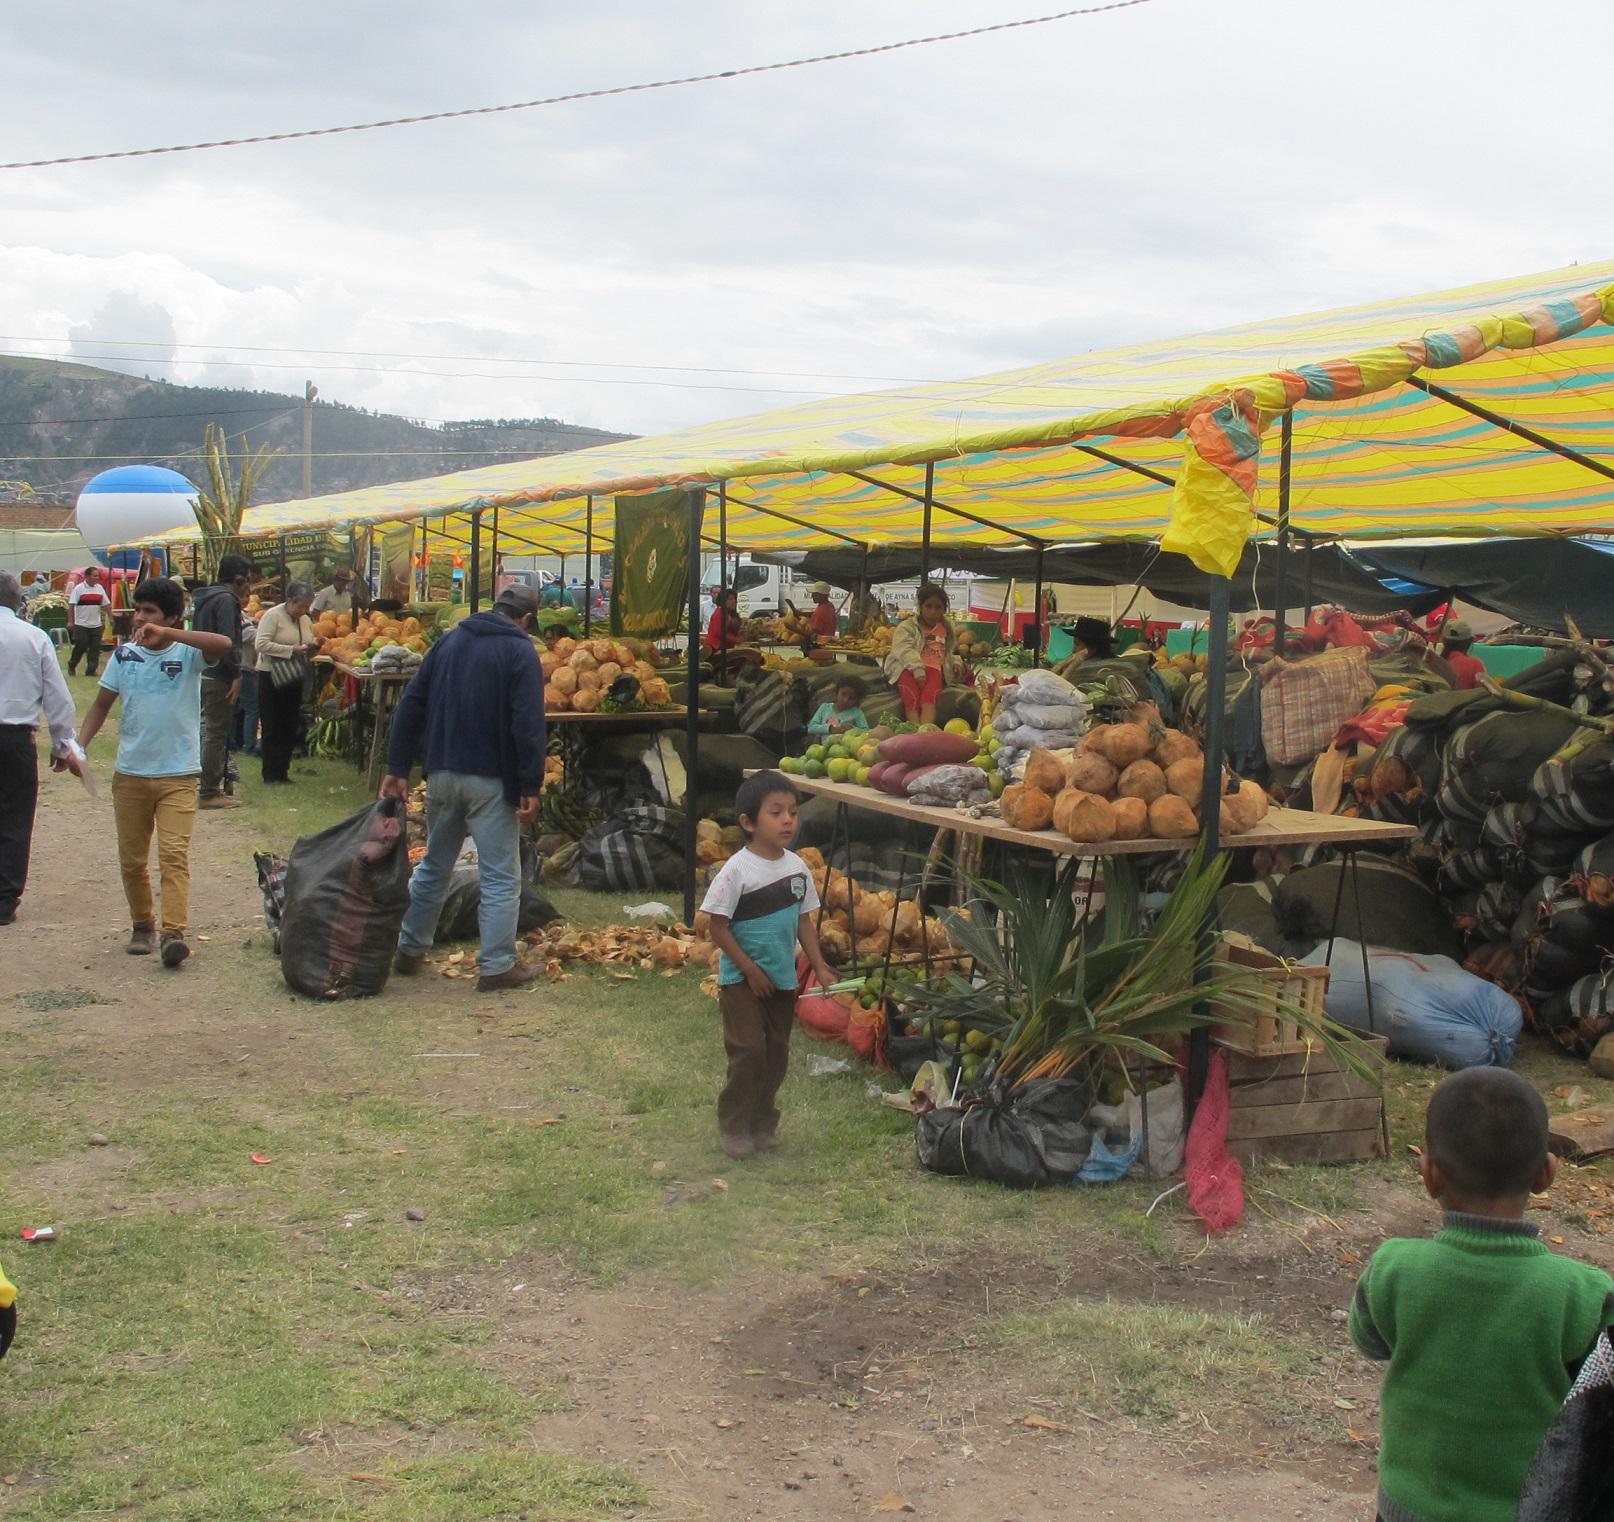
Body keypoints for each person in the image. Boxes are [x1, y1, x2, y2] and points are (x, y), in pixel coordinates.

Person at [1350, 1067, 1614, 1522]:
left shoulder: (1392, 1269)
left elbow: (1370, 1341)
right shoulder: (1584, 1295)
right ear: (1546, 1173)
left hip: (1408, 1509)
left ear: (1429, 1174)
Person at [382, 583, 546, 993]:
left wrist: (398, 766)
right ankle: (496, 965)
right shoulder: (519, 650)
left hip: (441, 772)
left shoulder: (449, 641)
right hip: (489, 778)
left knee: (436, 863)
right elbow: (527, 723)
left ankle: (410, 947)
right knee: (501, 876)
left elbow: (411, 703)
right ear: (525, 619)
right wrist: (531, 783)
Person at [77, 577, 233, 966]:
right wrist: (79, 746)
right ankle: (142, 925)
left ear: (173, 617)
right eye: (138, 610)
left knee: (174, 855)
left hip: (179, 773)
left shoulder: (189, 652)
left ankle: (173, 933)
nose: (140, 618)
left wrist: (169, 633)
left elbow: (223, 645)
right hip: (130, 773)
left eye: (150, 612)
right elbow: (99, 706)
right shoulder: (124, 656)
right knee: (132, 859)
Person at [700, 771, 835, 1159]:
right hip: (742, 980)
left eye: (792, 812)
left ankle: (762, 1122)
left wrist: (820, 967)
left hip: (782, 979)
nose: (788, 820)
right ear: (747, 822)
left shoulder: (796, 868)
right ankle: (734, 1126)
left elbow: (804, 922)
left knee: (776, 1054)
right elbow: (718, 928)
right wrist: (749, 970)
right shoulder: (736, 871)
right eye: (776, 813)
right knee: (748, 1051)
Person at [0, 571, 81, 926]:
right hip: (16, 738)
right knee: (15, 818)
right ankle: (4, 899)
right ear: (19, 600)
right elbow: (57, 697)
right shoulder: (34, 638)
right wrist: (63, 743)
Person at [190, 554, 252, 810]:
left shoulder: (205, 598)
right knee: (216, 732)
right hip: (219, 673)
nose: (248, 587)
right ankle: (209, 791)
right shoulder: (226, 600)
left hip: (204, 669)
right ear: (238, 580)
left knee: (211, 730)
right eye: (247, 581)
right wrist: (237, 673)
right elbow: (229, 641)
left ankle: (213, 784)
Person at [254, 583, 318, 785]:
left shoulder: (305, 620)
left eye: (307, 607)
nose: (303, 611)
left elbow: (307, 644)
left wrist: (314, 647)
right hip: (271, 675)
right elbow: (260, 644)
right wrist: (291, 650)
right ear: (289, 601)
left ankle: (283, 771)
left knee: (289, 724)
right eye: (300, 606)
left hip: (293, 675)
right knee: (272, 724)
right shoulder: (272, 616)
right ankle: (270, 773)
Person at [883, 582, 959, 726]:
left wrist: (955, 663)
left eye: (938, 607)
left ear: (944, 609)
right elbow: (904, 649)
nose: (932, 611)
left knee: (930, 697)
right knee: (911, 695)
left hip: (934, 669)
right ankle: (914, 727)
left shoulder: (946, 628)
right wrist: (917, 669)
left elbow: (948, 652)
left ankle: (924, 730)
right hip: (907, 668)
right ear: (920, 607)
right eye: (928, 606)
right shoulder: (907, 627)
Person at [66, 564, 109, 677]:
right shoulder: (78, 589)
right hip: (81, 624)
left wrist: (111, 617)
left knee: (95, 649)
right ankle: (72, 664)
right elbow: (71, 605)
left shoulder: (99, 589)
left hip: (96, 624)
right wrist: (71, 621)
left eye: (98, 576)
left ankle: (91, 670)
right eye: (95, 576)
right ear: (87, 576)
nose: (97, 578)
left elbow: (106, 604)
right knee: (81, 646)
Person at [232, 606, 261, 757]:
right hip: (245, 670)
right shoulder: (246, 629)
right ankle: (249, 745)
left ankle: (233, 743)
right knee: (252, 707)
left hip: (236, 668)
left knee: (235, 708)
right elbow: (259, 640)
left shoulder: (232, 623)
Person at [1439, 619, 1485, 691]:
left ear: (1443, 640)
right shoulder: (1474, 664)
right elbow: (1482, 694)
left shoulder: (1434, 663)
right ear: (1471, 640)